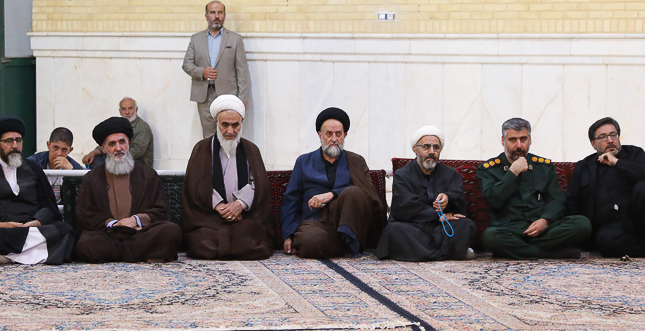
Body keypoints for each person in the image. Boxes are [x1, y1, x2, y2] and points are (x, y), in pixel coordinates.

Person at [566, 117, 645, 261]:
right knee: (605, 243)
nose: (610, 140)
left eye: (613, 135)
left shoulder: (635, 154)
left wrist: (617, 162)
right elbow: (572, 201)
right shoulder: (584, 167)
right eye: (603, 137)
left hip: (641, 220)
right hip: (610, 226)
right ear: (593, 144)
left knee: (644, 188)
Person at [0, 116, 75, 266]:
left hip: (30, 228)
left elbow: (47, 206)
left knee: (66, 230)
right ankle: (34, 254)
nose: (15, 146)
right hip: (1, 230)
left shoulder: (33, 169)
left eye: (18, 140)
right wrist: (1, 225)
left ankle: (6, 257)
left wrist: (37, 222)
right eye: (9, 141)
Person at [478, 118, 591, 260]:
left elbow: (556, 200)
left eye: (523, 139)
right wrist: (513, 172)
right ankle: (549, 254)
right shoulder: (488, 169)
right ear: (503, 141)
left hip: (542, 230)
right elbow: (495, 201)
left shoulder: (544, 167)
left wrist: (545, 221)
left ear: (530, 140)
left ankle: (517, 251)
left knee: (582, 224)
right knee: (490, 237)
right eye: (512, 140)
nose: (519, 145)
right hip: (509, 229)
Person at [280, 108, 386, 258]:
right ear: (320, 135)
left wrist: (332, 194)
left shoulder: (356, 161)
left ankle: (347, 239)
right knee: (310, 241)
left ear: (345, 135)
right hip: (316, 225)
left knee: (354, 192)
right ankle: (345, 245)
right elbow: (291, 201)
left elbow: (368, 195)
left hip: (350, 223)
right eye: (329, 134)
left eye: (338, 134)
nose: (334, 139)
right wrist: (289, 235)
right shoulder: (304, 162)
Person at [75, 117, 182, 263]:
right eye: (112, 144)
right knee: (86, 245)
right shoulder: (91, 178)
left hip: (139, 232)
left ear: (128, 143)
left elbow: (161, 210)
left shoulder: (148, 174)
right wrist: (113, 224)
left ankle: (117, 254)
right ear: (104, 149)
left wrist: (135, 220)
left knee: (171, 231)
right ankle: (141, 254)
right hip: (108, 234)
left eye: (122, 142)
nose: (118, 148)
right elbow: (85, 215)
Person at [181, 95, 273, 260]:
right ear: (216, 121)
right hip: (210, 218)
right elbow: (195, 184)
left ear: (241, 122)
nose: (230, 131)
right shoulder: (202, 148)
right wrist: (219, 206)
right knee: (204, 244)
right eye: (225, 125)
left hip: (243, 217)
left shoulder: (251, 149)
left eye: (235, 125)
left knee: (251, 241)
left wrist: (240, 204)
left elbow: (259, 184)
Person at [375, 126, 477, 261]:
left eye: (436, 147)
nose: (432, 152)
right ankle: (449, 252)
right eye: (426, 147)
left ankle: (425, 253)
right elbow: (405, 205)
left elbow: (458, 197)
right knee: (394, 230)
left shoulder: (451, 174)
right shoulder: (402, 175)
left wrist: (448, 198)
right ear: (415, 149)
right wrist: (436, 216)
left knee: (466, 225)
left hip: (441, 227)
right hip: (412, 226)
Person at [182, 0, 251, 138]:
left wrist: (243, 99)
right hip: (204, 95)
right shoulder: (196, 39)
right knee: (208, 136)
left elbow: (242, 72)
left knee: (229, 134)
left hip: (229, 96)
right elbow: (187, 64)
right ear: (206, 16)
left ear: (224, 15)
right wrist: (202, 72)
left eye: (220, 12)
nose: (216, 16)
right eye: (212, 12)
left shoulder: (235, 39)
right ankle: (211, 154)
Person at [82, 98, 155, 168]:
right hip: (117, 157)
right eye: (124, 109)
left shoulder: (142, 127)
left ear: (136, 109)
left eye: (130, 108)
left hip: (136, 162)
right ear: (120, 111)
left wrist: (114, 154)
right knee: (94, 160)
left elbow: (136, 152)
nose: (127, 112)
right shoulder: (119, 124)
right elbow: (107, 143)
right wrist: (93, 153)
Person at [28, 126, 85, 202]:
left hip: (63, 208)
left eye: (64, 150)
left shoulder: (72, 165)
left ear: (70, 150)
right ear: (48, 145)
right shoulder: (34, 162)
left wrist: (71, 171)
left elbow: (86, 189)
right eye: (55, 148)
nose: (58, 153)